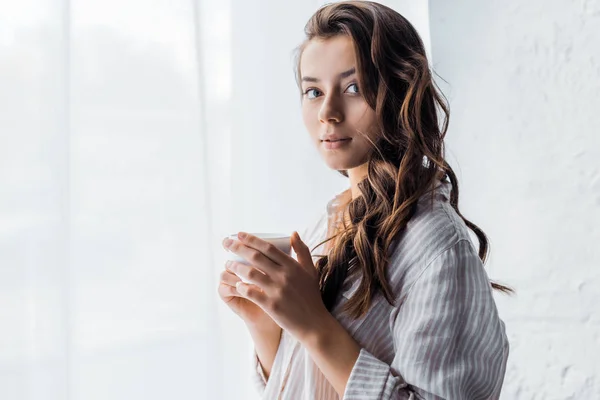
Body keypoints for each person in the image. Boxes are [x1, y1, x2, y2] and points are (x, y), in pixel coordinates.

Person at [217, 1, 511, 399]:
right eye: (313, 90)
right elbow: (311, 383)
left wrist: (313, 325)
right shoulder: (330, 222)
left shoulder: (437, 246)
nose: (327, 112)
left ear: (400, 92)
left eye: (354, 88)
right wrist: (267, 325)